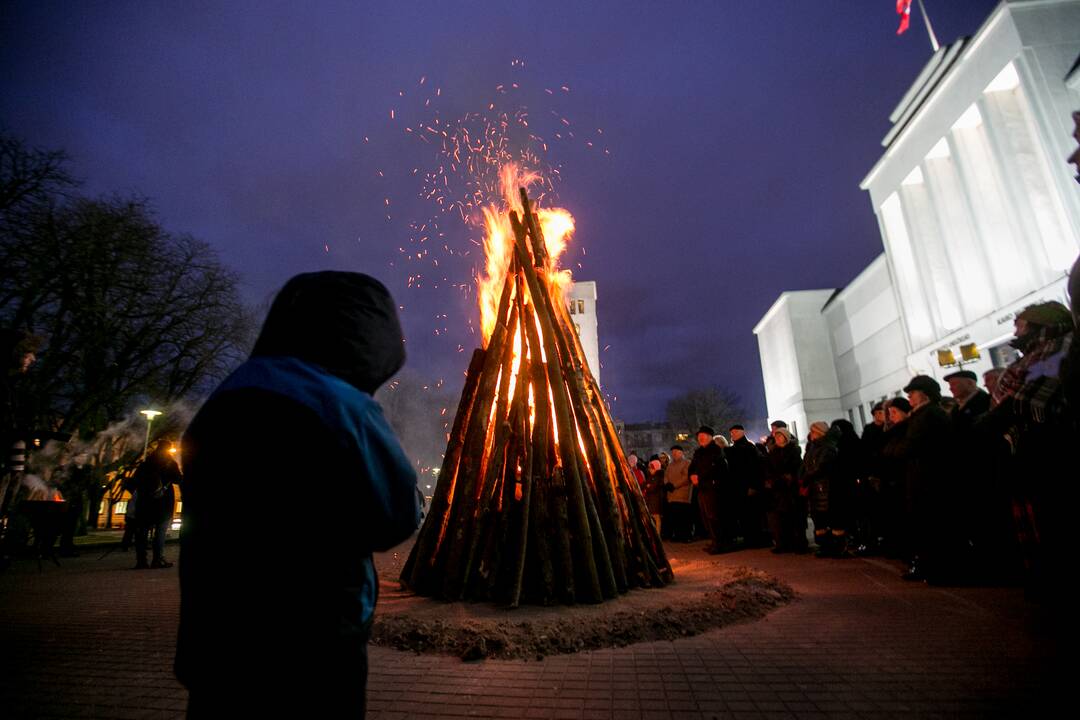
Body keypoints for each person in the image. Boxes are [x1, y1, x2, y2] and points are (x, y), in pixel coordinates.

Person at [175, 271, 421, 717]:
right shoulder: (338, 404)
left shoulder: (227, 396)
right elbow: (396, 515)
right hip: (313, 642)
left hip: (215, 640)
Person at [888, 376, 956, 583]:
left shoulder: (929, 414)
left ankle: (938, 568)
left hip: (929, 477)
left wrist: (897, 451)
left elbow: (913, 443)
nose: (909, 396)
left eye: (913, 392)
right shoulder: (923, 414)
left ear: (924, 394)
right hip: (921, 475)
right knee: (924, 522)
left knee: (932, 523)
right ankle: (929, 565)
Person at [131, 440, 182, 570]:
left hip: (145, 503)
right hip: (163, 504)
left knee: (142, 533)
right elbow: (178, 480)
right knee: (160, 533)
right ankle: (157, 560)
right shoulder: (170, 463)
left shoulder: (146, 463)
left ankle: (141, 561)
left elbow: (135, 481)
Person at [688, 425, 732, 553]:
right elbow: (692, 467)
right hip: (702, 489)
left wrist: (699, 477)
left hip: (713, 489)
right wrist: (691, 476)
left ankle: (720, 543)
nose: (700, 439)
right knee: (706, 517)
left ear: (710, 437)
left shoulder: (716, 451)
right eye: (699, 437)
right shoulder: (698, 452)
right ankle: (714, 541)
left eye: (703, 436)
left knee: (714, 516)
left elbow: (715, 469)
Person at [800, 421, 839, 557]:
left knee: (828, 517)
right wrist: (803, 476)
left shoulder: (828, 447)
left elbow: (822, 466)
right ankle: (824, 546)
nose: (812, 435)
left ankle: (834, 546)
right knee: (819, 519)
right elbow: (806, 465)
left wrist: (808, 477)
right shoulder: (813, 448)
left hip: (824, 487)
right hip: (815, 488)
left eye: (814, 432)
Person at [726, 424, 769, 548]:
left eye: (734, 432)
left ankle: (755, 539)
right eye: (731, 433)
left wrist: (753, 486)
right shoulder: (735, 448)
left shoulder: (749, 448)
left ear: (742, 432)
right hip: (738, 486)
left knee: (752, 514)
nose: (732, 435)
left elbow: (754, 468)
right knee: (744, 514)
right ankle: (749, 538)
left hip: (747, 486)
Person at [764, 427, 804, 553]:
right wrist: (771, 479)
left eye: (780, 436)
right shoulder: (773, 453)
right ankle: (783, 543)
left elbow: (797, 467)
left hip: (791, 489)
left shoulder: (794, 451)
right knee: (781, 518)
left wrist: (790, 477)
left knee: (795, 517)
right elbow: (768, 469)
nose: (777, 438)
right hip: (778, 489)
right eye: (776, 436)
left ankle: (799, 543)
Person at [663, 445, 692, 542]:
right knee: (674, 517)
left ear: (681, 452)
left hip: (682, 494)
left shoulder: (687, 463)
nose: (674, 454)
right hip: (672, 495)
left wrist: (674, 485)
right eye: (673, 452)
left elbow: (686, 477)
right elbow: (666, 475)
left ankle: (686, 535)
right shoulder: (670, 465)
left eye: (676, 452)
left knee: (683, 516)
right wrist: (667, 484)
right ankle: (677, 535)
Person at [644, 456, 664, 535]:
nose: (650, 470)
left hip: (656, 500)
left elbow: (653, 488)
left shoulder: (658, 477)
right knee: (652, 517)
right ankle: (653, 534)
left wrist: (648, 486)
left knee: (657, 518)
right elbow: (645, 484)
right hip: (650, 500)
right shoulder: (650, 477)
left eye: (651, 468)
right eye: (649, 468)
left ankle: (658, 534)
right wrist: (647, 486)